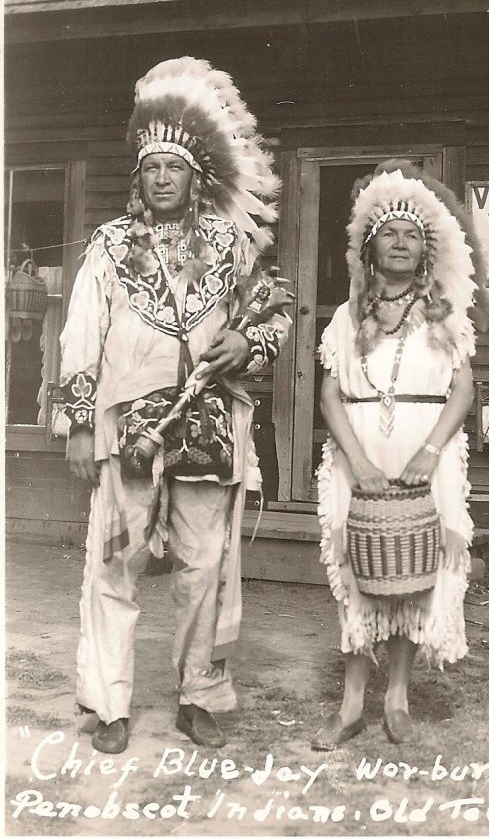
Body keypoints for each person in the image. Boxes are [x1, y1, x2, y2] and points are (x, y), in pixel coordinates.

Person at [60, 57, 291, 755]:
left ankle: (198, 693)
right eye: (153, 167)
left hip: (210, 425)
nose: (163, 178)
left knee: (203, 563)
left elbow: (275, 313)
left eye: (176, 168)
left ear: (197, 177)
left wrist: (245, 347)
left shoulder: (230, 246)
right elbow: (79, 334)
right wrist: (75, 421)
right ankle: (109, 703)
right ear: (140, 176)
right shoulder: (108, 244)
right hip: (129, 426)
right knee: (115, 561)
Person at [312, 160, 489, 750]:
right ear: (370, 246)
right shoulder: (345, 317)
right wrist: (357, 460)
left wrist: (432, 449)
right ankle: (351, 703)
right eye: (389, 233)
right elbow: (329, 391)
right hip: (359, 444)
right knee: (359, 569)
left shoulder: (445, 318)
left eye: (412, 235)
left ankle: (398, 698)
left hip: (425, 445)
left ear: (425, 251)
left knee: (415, 570)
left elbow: (462, 389)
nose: (400, 243)